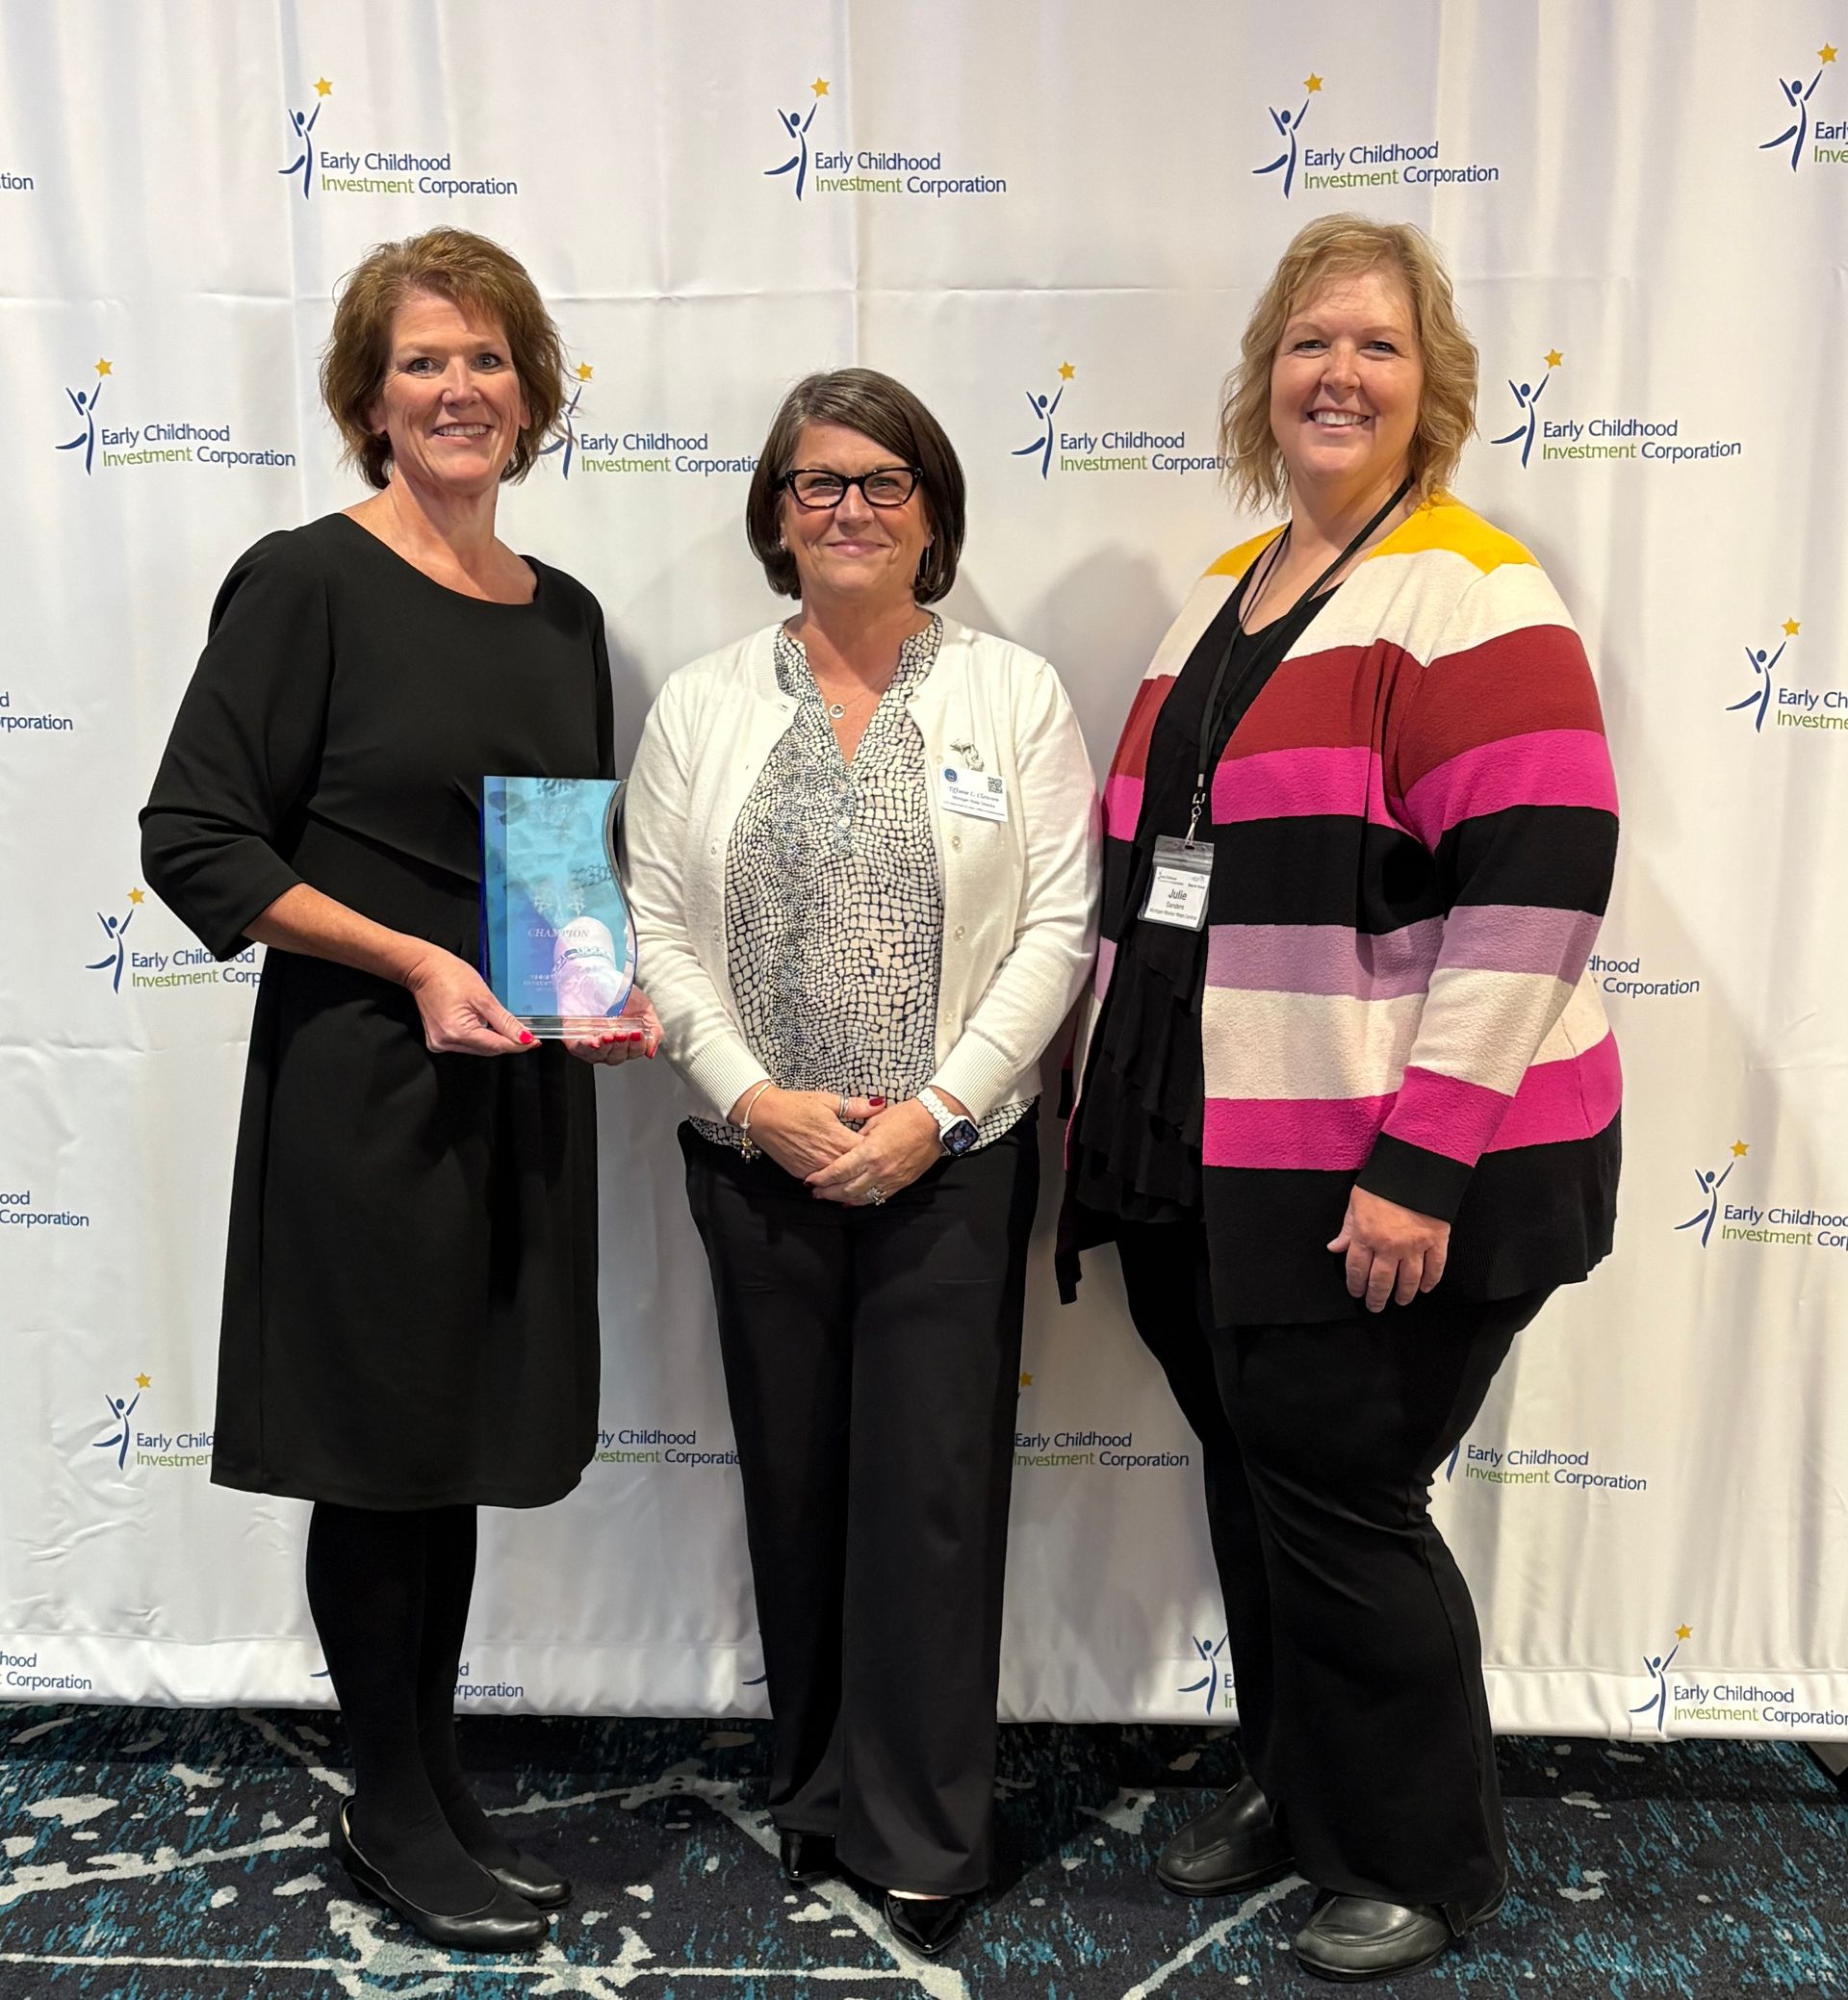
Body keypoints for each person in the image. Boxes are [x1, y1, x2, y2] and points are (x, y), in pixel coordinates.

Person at [1061, 214, 1621, 1983]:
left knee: (1345, 1490)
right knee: (1259, 1476)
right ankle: (1299, 1782)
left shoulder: (1469, 586)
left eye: (1377, 346)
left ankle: (1419, 1852)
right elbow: (1149, 868)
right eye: (1311, 342)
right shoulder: (1224, 595)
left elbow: (1539, 880)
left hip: (1389, 1163)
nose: (1338, 373)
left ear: (1429, 389)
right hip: (1214, 1150)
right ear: (1264, 379)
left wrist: (1422, 1160)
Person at [141, 227, 659, 1956]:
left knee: (452, 1451)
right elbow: (196, 833)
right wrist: (415, 962)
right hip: (363, 1090)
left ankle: (428, 1776)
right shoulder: (307, 581)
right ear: (370, 397)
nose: (460, 388)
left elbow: (549, 862)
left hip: (514, 1093)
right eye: (424, 361)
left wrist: (593, 996)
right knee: (376, 1459)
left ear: (534, 393)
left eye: (490, 358)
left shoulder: (563, 612)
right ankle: (385, 1802)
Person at [623, 368, 1099, 1956]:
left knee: (932, 1500)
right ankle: (820, 1788)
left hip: (947, 1166)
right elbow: (658, 933)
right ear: (776, 512)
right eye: (817, 483)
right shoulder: (700, 703)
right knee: (802, 1483)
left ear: (933, 516)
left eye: (882, 483)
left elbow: (1053, 929)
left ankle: (925, 1824)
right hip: (755, 1157)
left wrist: (939, 1109)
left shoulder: (1014, 696)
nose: (847, 509)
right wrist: (755, 1095)